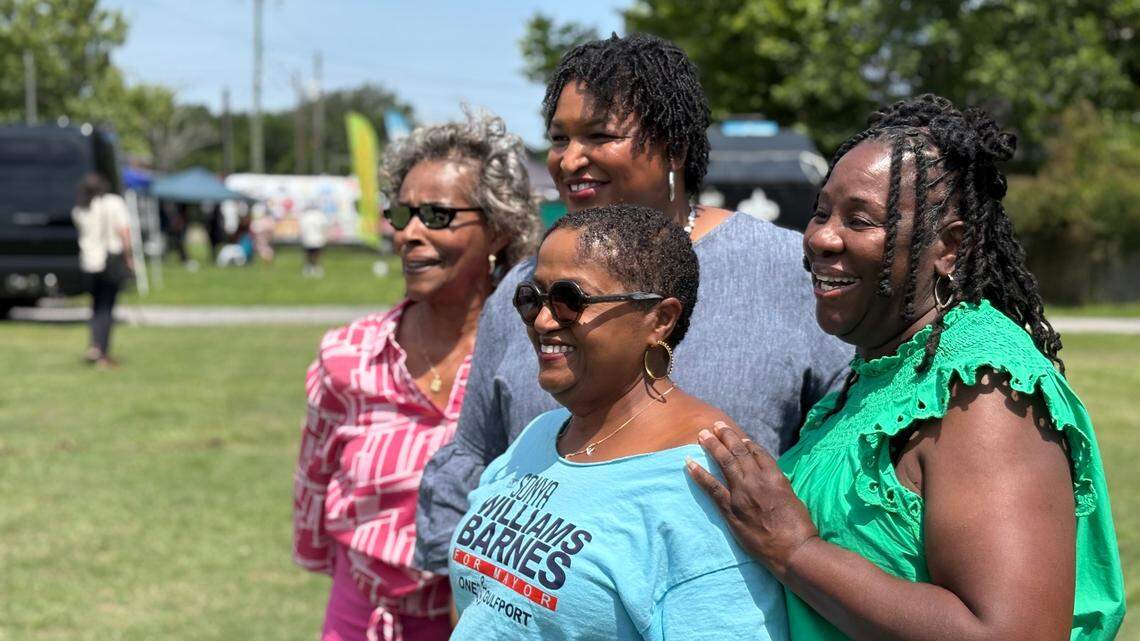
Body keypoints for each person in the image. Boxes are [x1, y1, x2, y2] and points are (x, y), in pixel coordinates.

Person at [688, 94, 1125, 640]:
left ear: (949, 245)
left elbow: (1011, 634)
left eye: (861, 220)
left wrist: (797, 552)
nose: (821, 237)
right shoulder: (876, 374)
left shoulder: (982, 390)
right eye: (821, 211)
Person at [415, 32, 851, 574]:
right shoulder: (523, 291)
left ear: (675, 147)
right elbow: (477, 460)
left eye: (599, 135)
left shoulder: (789, 272)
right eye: (558, 139)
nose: (571, 159)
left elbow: (846, 469)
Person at [448, 204, 788, 640]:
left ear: (660, 319)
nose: (543, 320)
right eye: (532, 298)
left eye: (570, 300)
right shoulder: (541, 435)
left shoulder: (703, 480)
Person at [293, 111, 542, 641]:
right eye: (402, 212)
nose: (408, 233)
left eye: (436, 215)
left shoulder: (535, 363)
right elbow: (313, 484)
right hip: (360, 616)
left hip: (486, 625)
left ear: (498, 227)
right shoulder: (349, 354)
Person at [72, 172, 133, 368]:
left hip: (88, 263)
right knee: (107, 308)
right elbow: (124, 232)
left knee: (96, 306)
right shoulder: (112, 203)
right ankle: (102, 352)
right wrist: (129, 257)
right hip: (110, 261)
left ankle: (94, 345)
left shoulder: (80, 209)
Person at [299, 203, 329, 278]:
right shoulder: (319, 215)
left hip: (308, 237)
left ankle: (310, 267)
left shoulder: (305, 215)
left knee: (309, 253)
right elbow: (324, 226)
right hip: (317, 237)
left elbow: (302, 227)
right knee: (316, 253)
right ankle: (314, 267)